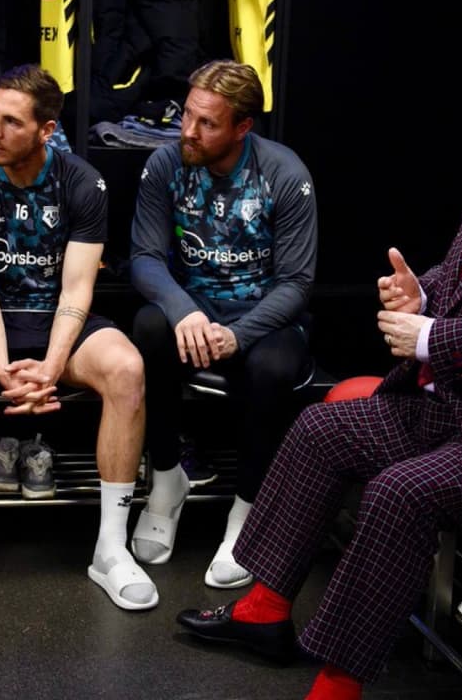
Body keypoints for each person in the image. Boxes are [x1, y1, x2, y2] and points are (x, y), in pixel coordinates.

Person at [177, 20, 462, 700]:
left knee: (400, 494)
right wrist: (421, 290)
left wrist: (431, 336)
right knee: (318, 428)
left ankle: (338, 684)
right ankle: (264, 612)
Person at [0, 64, 155, 620]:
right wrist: (2, 367)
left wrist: (50, 367)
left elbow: (77, 287)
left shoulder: (82, 182)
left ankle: (110, 548)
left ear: (45, 131)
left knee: (126, 368)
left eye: (10, 122)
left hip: (59, 320)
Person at [129, 59, 317, 588]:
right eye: (187, 115)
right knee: (147, 327)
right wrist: (182, 309)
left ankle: (246, 514)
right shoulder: (167, 164)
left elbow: (297, 283)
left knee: (273, 367)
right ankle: (167, 481)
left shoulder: (284, 174)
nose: (188, 131)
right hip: (195, 312)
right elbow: (144, 256)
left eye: (207, 123)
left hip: (263, 320)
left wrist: (239, 334)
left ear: (242, 127)